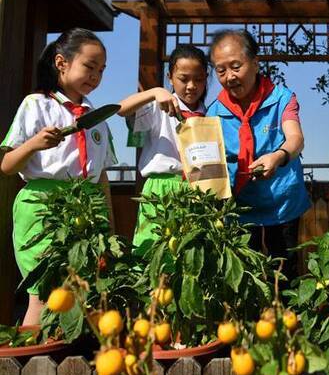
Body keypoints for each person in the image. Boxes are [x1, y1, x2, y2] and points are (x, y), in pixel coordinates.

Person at [0, 28, 116, 324]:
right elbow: (7, 165)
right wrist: (34, 143)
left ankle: (74, 363)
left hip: (87, 210)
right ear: (61, 62)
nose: (95, 76)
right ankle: (27, 365)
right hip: (43, 207)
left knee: (83, 292)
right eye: (89, 67)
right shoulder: (36, 104)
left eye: (101, 70)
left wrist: (110, 228)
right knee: (43, 294)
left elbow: (101, 177)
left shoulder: (97, 117)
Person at [206, 29, 310, 280]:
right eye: (221, 70)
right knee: (245, 277)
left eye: (236, 66)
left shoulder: (282, 98)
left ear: (255, 62)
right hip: (239, 208)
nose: (229, 77)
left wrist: (278, 156)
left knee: (285, 275)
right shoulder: (213, 113)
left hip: (282, 203)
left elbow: (296, 138)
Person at [118, 45, 208, 254]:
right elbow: (121, 109)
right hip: (161, 189)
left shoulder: (211, 113)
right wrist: (154, 92)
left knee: (192, 255)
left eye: (199, 79)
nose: (191, 86)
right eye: (184, 79)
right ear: (170, 77)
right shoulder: (157, 107)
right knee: (153, 251)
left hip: (199, 189)